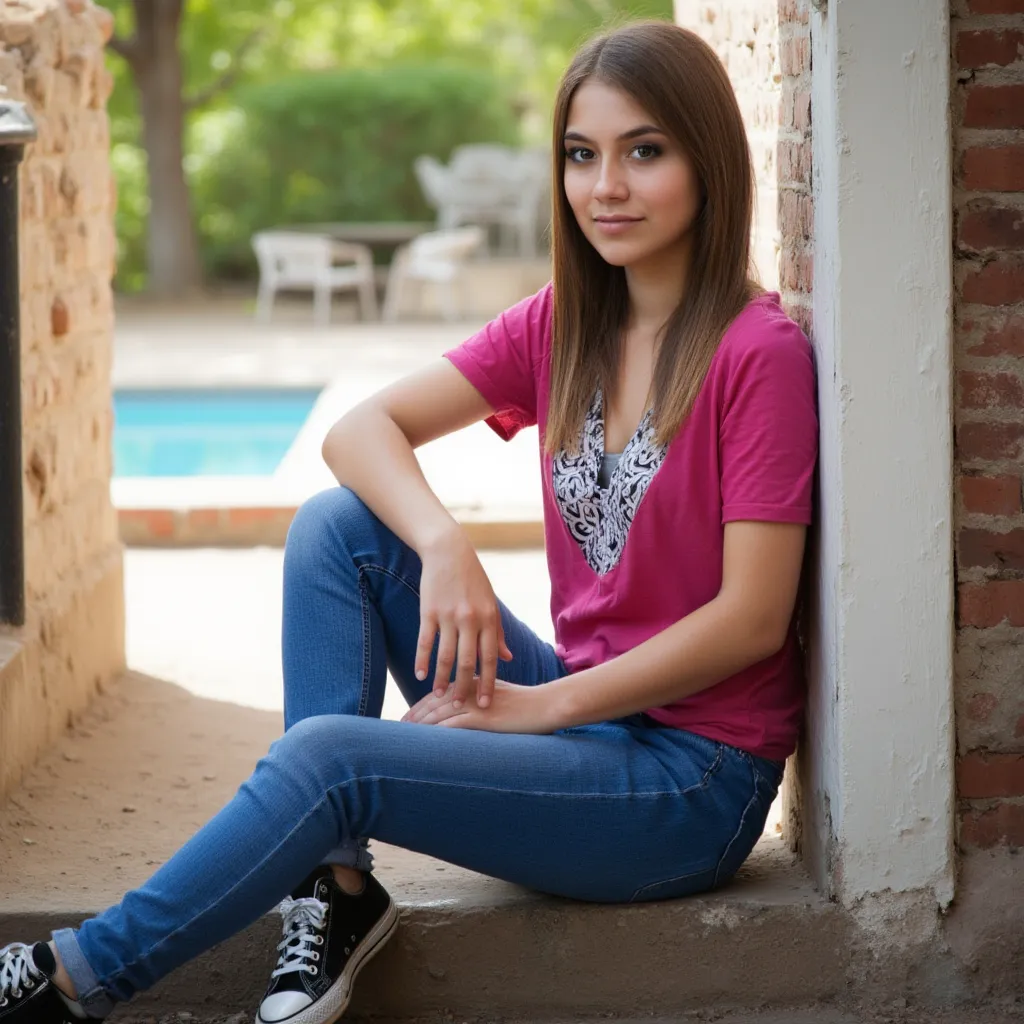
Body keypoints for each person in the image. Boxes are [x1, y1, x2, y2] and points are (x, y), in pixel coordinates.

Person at [0, 18, 817, 1024]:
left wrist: (539, 707)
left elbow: (750, 618)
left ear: (707, 161)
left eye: (643, 151)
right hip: (587, 712)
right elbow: (360, 428)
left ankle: (69, 980)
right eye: (581, 154)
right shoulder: (568, 320)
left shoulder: (756, 353)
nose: (606, 186)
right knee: (336, 528)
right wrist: (442, 541)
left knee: (331, 756)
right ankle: (336, 890)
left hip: (687, 786)